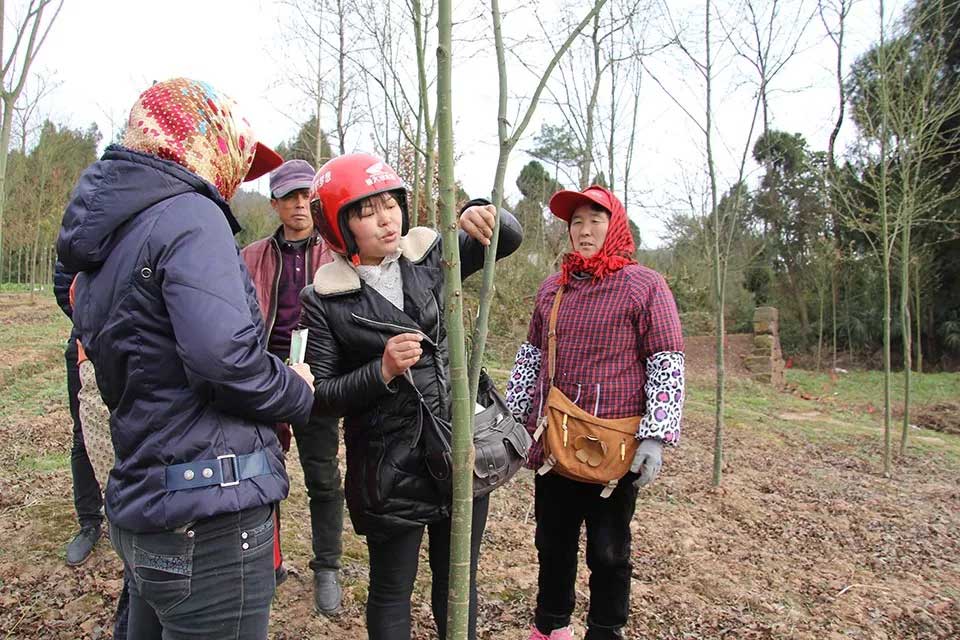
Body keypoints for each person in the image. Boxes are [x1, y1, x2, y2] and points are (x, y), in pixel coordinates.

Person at [56, 78, 315, 640]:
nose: (232, 180)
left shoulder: (111, 235)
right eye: (234, 156)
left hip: (146, 502)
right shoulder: (192, 216)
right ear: (201, 141)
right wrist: (296, 389)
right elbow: (224, 360)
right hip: (210, 517)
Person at [299, 152, 523, 640]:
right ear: (339, 226)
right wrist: (380, 370)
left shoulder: (430, 256)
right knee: (390, 589)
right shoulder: (324, 299)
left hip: (459, 448)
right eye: (366, 212)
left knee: (458, 582)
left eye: (390, 205)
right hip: (389, 465)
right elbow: (322, 396)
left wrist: (480, 211)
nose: (386, 220)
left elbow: (507, 237)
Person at [505, 185, 685, 640]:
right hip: (554, 441)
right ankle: (551, 626)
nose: (584, 232)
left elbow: (665, 360)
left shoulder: (645, 286)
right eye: (576, 223)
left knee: (608, 551)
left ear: (615, 226)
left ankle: (605, 629)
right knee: (552, 543)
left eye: (594, 221)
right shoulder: (553, 289)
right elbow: (531, 356)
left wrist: (655, 436)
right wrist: (513, 418)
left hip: (614, 447)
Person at [240, 158, 344, 613]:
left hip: (319, 378)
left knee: (323, 475)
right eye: (289, 197)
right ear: (275, 204)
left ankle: (328, 566)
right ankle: (269, 562)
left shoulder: (337, 253)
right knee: (262, 472)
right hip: (267, 376)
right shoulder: (252, 257)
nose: (299, 204)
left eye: (305, 196)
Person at [52, 262, 104, 567]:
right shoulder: (83, 239)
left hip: (134, 345)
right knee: (82, 437)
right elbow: (64, 285)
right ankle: (89, 521)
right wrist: (90, 321)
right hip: (85, 346)